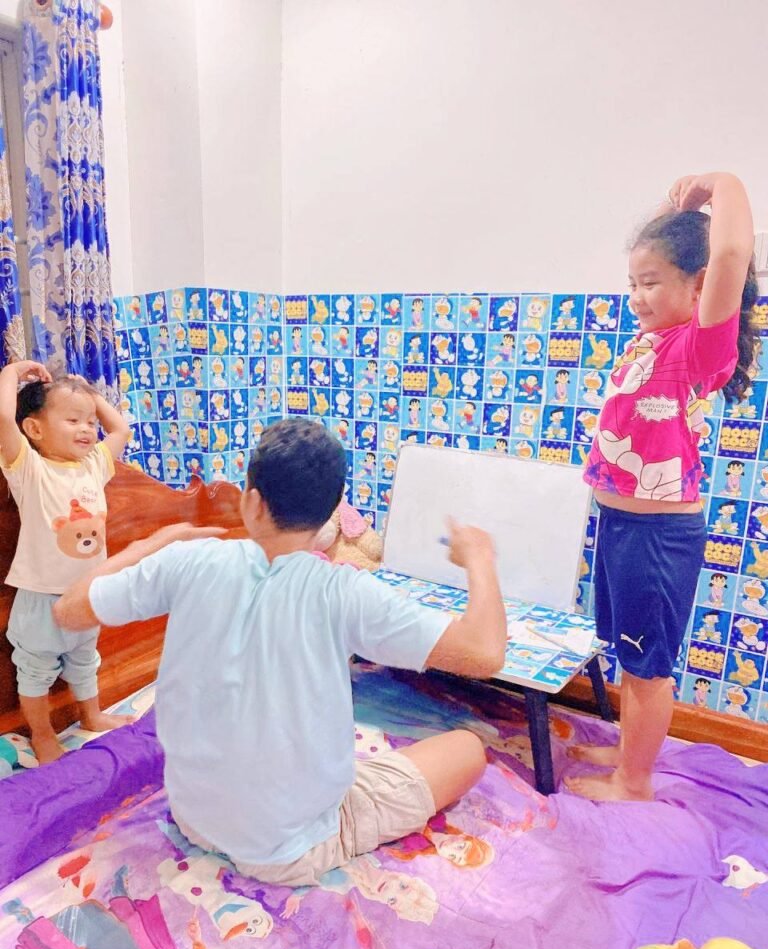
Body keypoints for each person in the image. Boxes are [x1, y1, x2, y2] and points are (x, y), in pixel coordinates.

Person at [54, 418, 507, 886]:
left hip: (196, 818)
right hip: (286, 850)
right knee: (468, 748)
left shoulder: (186, 560)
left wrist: (151, 544)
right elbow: (486, 652)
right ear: (332, 512)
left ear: (251, 501)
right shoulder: (346, 591)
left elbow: (69, 610)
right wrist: (479, 559)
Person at [572, 172, 758, 801]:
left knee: (648, 668)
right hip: (621, 524)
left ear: (699, 287)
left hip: (656, 536)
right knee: (629, 654)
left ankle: (635, 780)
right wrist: (673, 215)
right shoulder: (654, 339)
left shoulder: (699, 348)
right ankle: (631, 749)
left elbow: (729, 253)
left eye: (649, 284)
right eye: (632, 283)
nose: (637, 297)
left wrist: (721, 184)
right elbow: (666, 252)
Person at [0, 361, 133, 763]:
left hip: (87, 594)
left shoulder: (94, 466)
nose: (86, 428)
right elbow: (6, 416)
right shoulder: (30, 469)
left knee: (84, 659)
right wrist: (13, 372)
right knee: (35, 669)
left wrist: (84, 393)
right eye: (72, 419)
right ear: (35, 429)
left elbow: (121, 430)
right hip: (42, 597)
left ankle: (90, 716)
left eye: (90, 421)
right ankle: (42, 735)